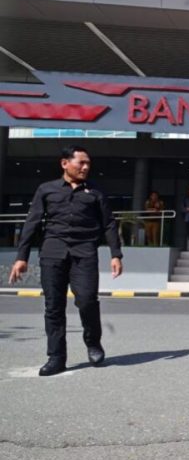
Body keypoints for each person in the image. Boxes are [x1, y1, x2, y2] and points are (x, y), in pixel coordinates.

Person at [8, 145, 123, 377]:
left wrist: (115, 254)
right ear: (65, 164)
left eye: (88, 163)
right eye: (81, 163)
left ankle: (93, 343)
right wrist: (22, 257)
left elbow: (109, 224)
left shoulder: (96, 192)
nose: (86, 167)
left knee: (88, 300)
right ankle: (56, 357)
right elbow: (32, 223)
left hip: (84, 253)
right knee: (53, 307)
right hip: (52, 253)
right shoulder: (46, 190)